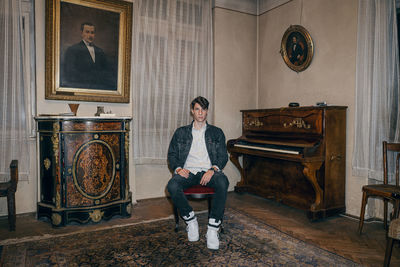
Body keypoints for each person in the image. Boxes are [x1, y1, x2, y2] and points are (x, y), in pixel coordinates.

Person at [167, 96, 229, 250]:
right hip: (188, 172)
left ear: (207, 111)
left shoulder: (216, 132)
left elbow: (223, 156)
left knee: (223, 181)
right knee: (172, 186)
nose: (200, 113)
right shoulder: (181, 133)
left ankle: (213, 229)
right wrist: (179, 169)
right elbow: (172, 155)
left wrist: (213, 169)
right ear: (192, 111)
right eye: (197, 109)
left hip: (209, 172)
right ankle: (190, 220)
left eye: (203, 109)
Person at [61, 22, 116, 90]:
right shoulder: (72, 50)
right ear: (81, 33)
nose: (90, 35)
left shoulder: (100, 51)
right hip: (81, 87)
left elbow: (107, 70)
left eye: (92, 32)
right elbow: (70, 73)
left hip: (99, 88)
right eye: (87, 32)